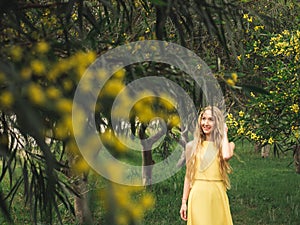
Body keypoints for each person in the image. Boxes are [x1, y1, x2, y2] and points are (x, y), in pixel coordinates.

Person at [179, 106, 235, 225]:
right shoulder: (191, 146)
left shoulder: (227, 145)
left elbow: (226, 155)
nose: (205, 123)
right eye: (203, 119)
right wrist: (184, 201)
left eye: (210, 119)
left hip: (217, 194)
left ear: (217, 123)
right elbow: (188, 176)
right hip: (198, 194)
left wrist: (224, 133)